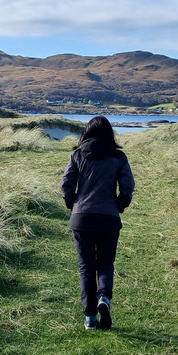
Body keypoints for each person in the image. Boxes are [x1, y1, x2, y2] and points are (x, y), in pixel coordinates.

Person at [61, 116, 135, 330]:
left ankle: (90, 317)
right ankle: (104, 298)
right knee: (105, 263)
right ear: (109, 134)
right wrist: (120, 205)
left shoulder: (77, 155)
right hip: (108, 217)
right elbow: (128, 186)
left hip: (81, 217)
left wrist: (72, 204)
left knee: (86, 267)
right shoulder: (119, 157)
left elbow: (66, 184)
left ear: (87, 133)